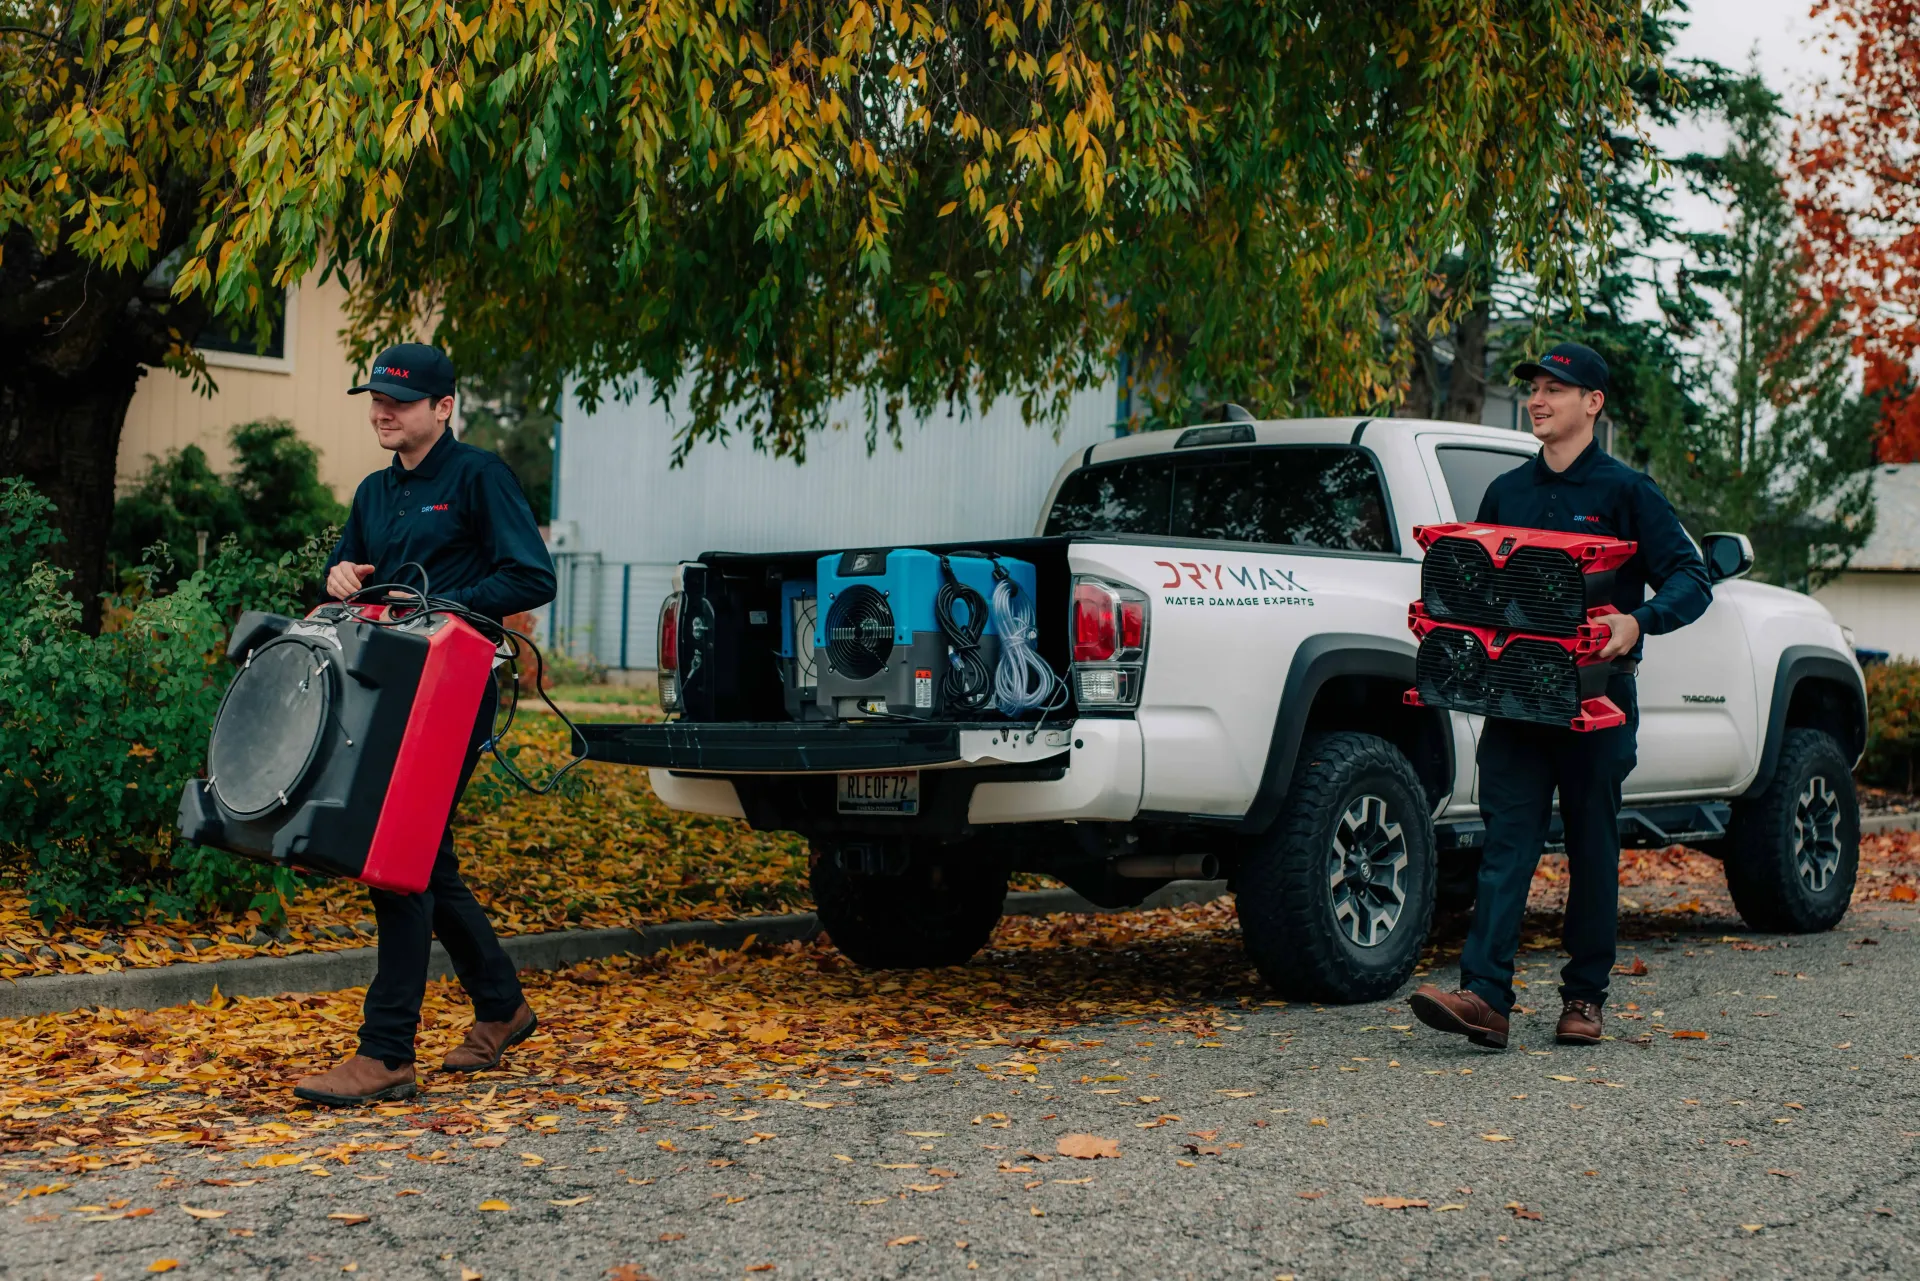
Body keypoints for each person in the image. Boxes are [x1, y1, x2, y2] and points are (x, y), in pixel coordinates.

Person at [1410, 342, 1711, 1050]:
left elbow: (1692, 578)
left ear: (1592, 404)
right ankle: (1486, 998)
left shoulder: (1627, 492)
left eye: (1555, 388)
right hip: (1516, 700)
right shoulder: (1507, 494)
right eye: (1535, 389)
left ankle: (1584, 997)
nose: (1537, 399)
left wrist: (1638, 620)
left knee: (1591, 844)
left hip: (1596, 707)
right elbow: (1476, 590)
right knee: (1506, 842)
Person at [293, 343, 557, 1106]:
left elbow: (531, 573)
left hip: (454, 688)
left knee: (398, 850)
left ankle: (386, 1053)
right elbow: (352, 570)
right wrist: (340, 575)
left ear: (443, 407)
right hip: (386, 684)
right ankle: (502, 1005)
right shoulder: (375, 493)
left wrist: (444, 600)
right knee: (424, 855)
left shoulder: (478, 477)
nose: (383, 410)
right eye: (377, 398)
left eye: (400, 402)